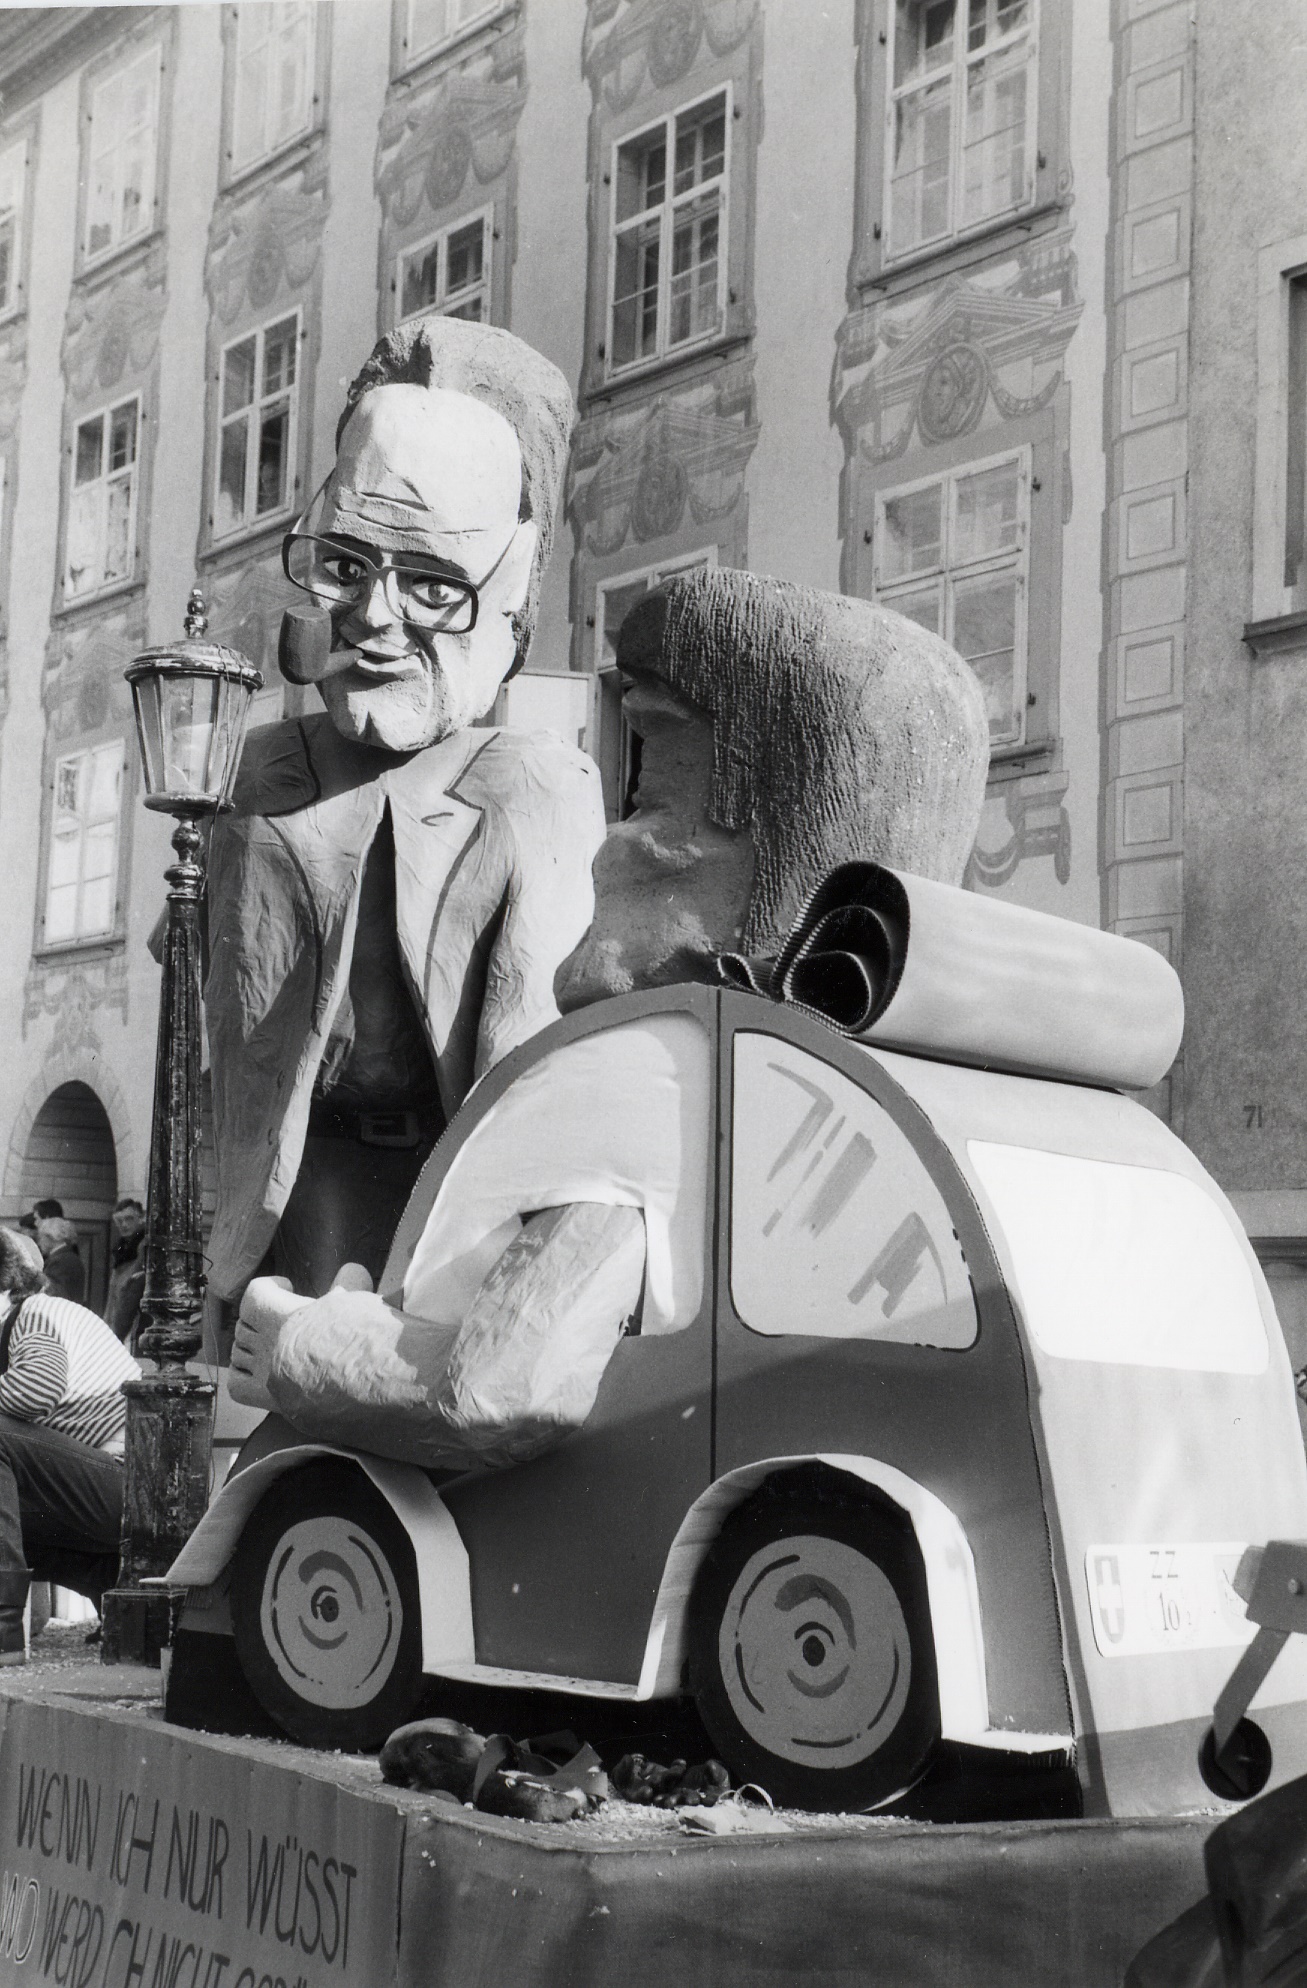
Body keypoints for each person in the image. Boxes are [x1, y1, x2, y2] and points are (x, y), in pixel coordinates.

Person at [229, 568, 990, 1462]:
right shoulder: (875, 1082)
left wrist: (300, 1346)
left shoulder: (661, 1076)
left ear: (719, 847)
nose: (603, 847)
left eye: (649, 799)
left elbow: (496, 1387)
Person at [208, 314, 604, 1320]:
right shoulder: (248, 775)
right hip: (284, 1195)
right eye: (344, 565)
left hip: (452, 1203)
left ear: (510, 602)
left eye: (431, 584)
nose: (376, 617)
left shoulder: (538, 787)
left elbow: (530, 1069)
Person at [0, 1228, 139, 1660]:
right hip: (112, 1497)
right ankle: (111, 1589)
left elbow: (35, 1391)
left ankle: (3, 1627)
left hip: (130, 1489)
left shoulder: (35, 1314)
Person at [19, 1201, 86, 1306]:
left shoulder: (62, 1260)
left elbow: (56, 1293)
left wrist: (34, 1276)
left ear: (52, 1238)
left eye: (41, 1237)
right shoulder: (65, 1256)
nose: (39, 1242)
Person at [104, 1196, 146, 1345]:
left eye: (129, 1219)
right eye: (119, 1221)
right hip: (119, 1321)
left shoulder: (144, 1246)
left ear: (141, 1218)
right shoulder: (121, 1249)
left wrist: (116, 1334)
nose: (124, 1225)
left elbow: (131, 1291)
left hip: (135, 1324)